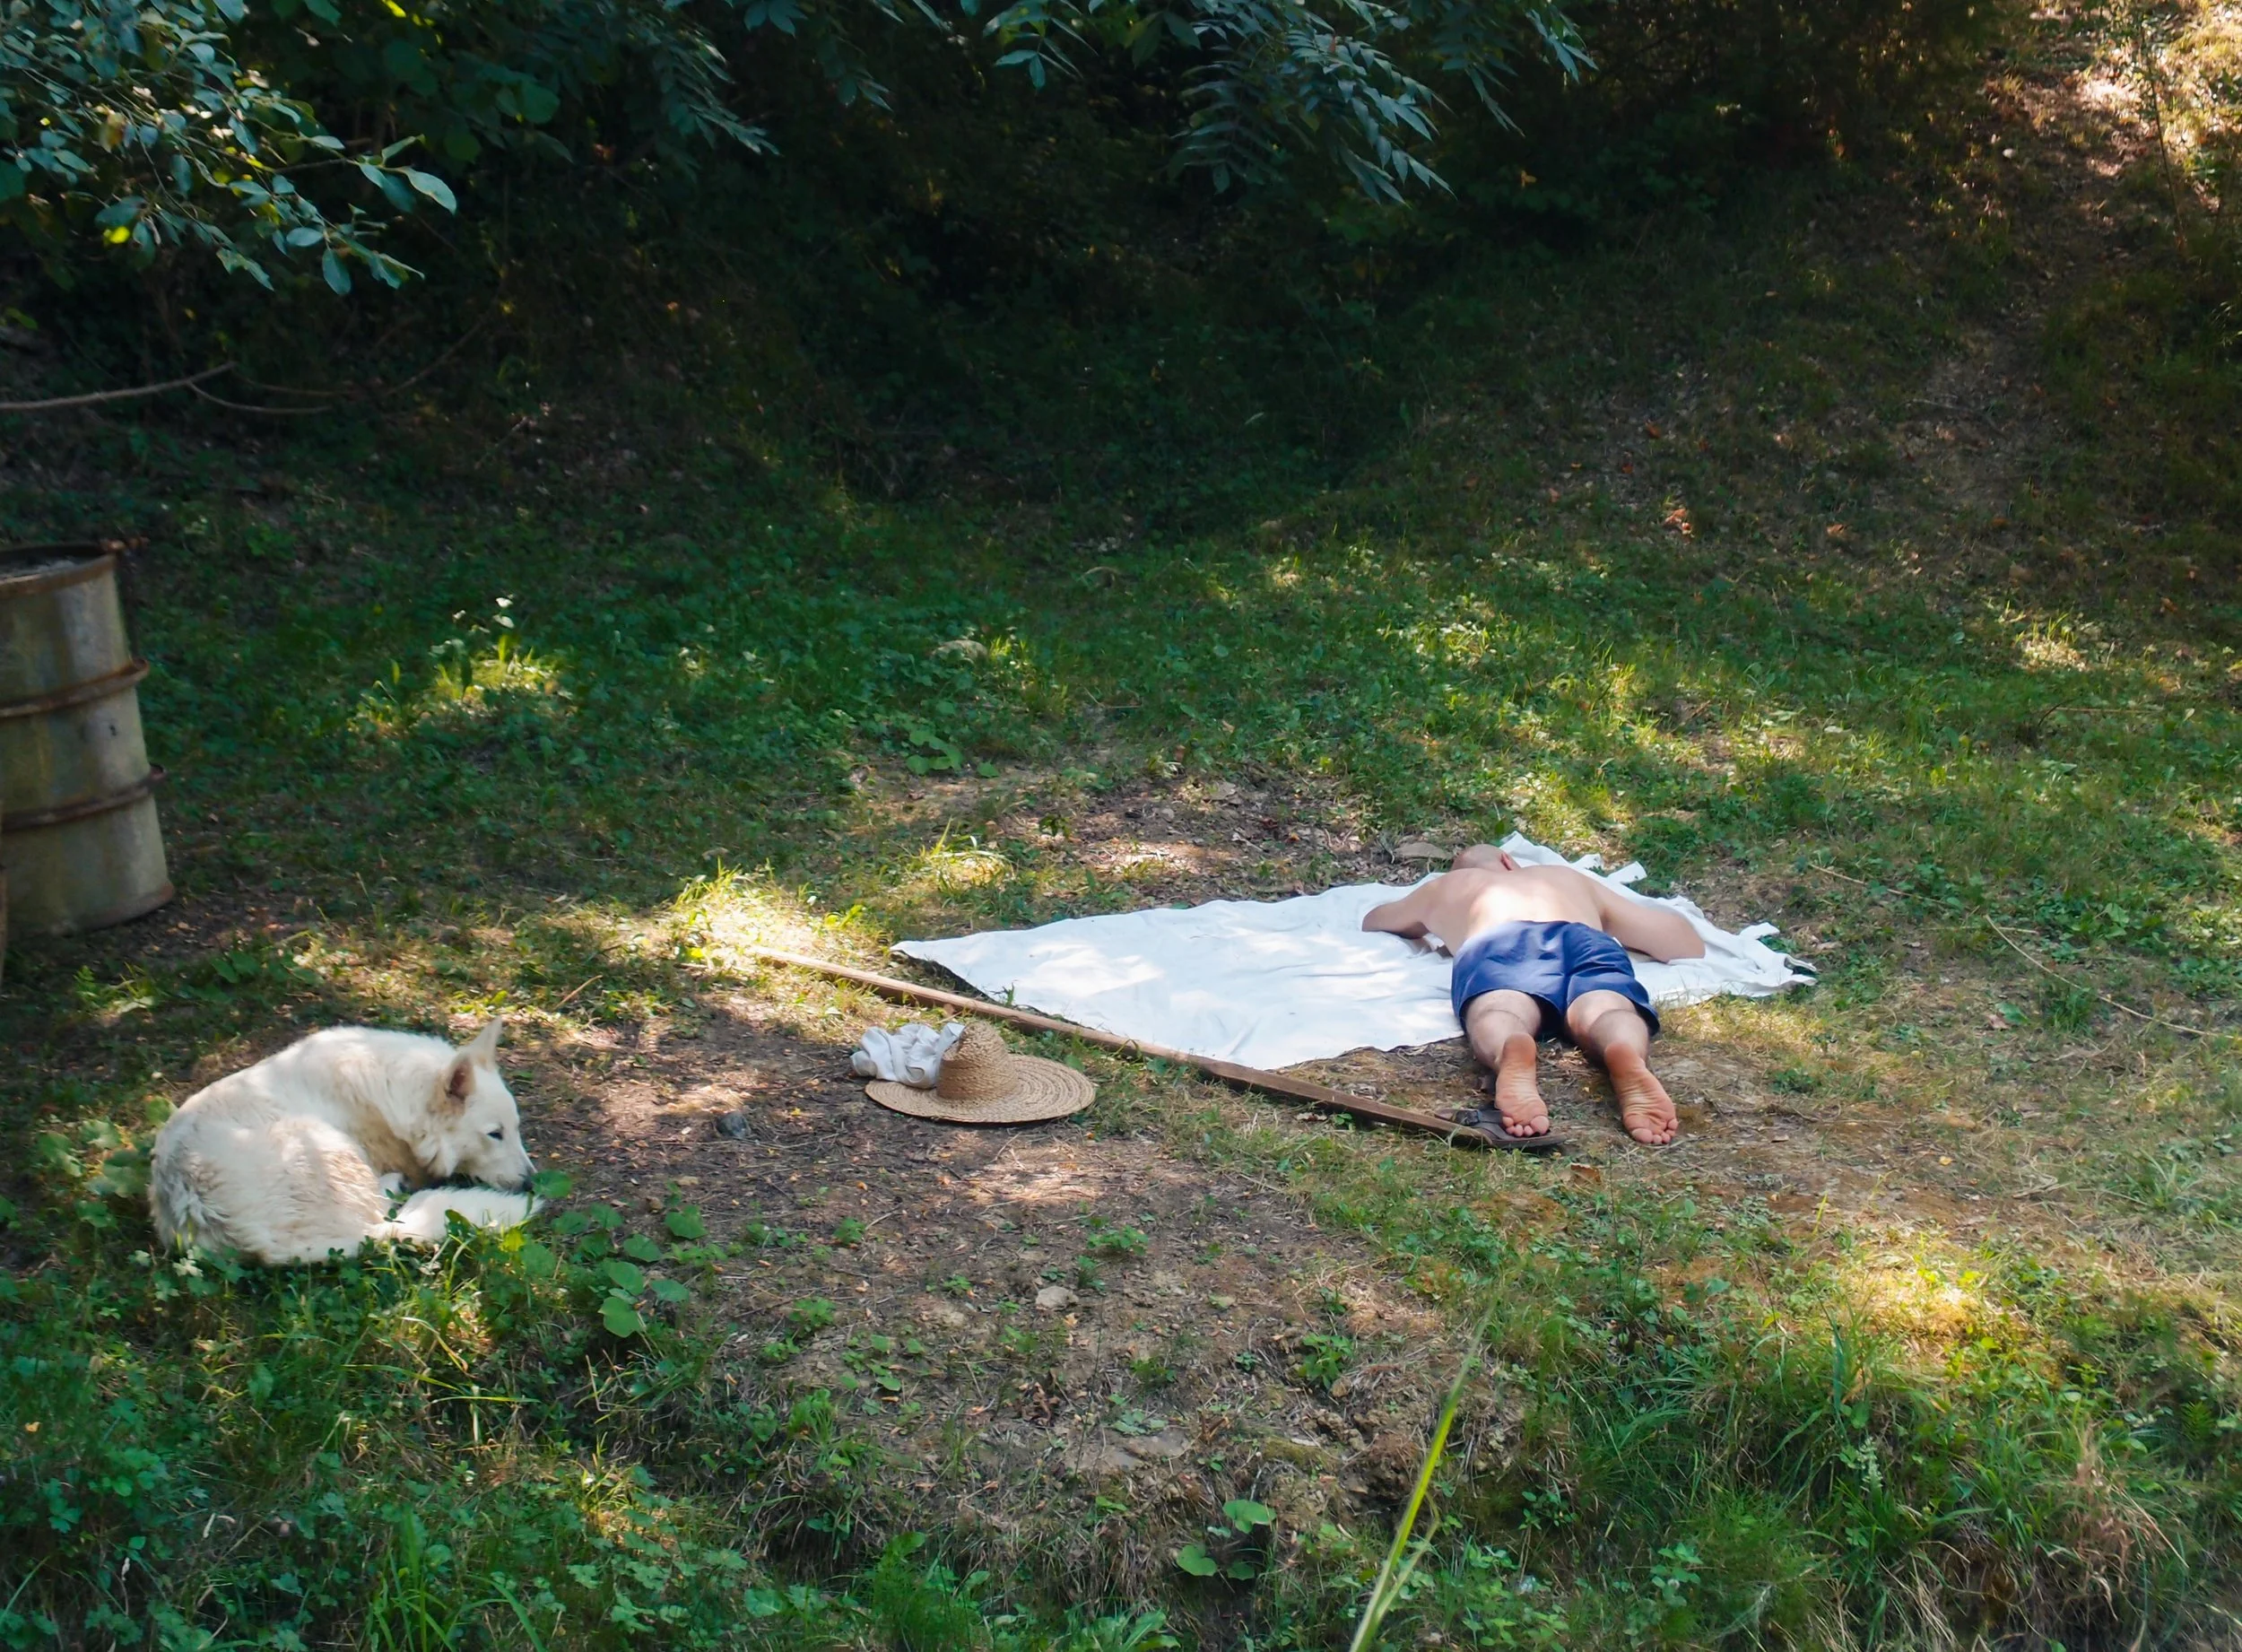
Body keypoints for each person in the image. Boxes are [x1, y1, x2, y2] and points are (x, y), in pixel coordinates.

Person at [1360, 847, 1704, 1144]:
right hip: (1582, 939)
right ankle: (1624, 1049)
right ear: (1509, 861)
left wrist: (1431, 914)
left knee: (1501, 1007)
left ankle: (1510, 1047)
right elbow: (1681, 943)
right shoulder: (1564, 878)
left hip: (1502, 941)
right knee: (1606, 1006)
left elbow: (1376, 920)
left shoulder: (1447, 887)